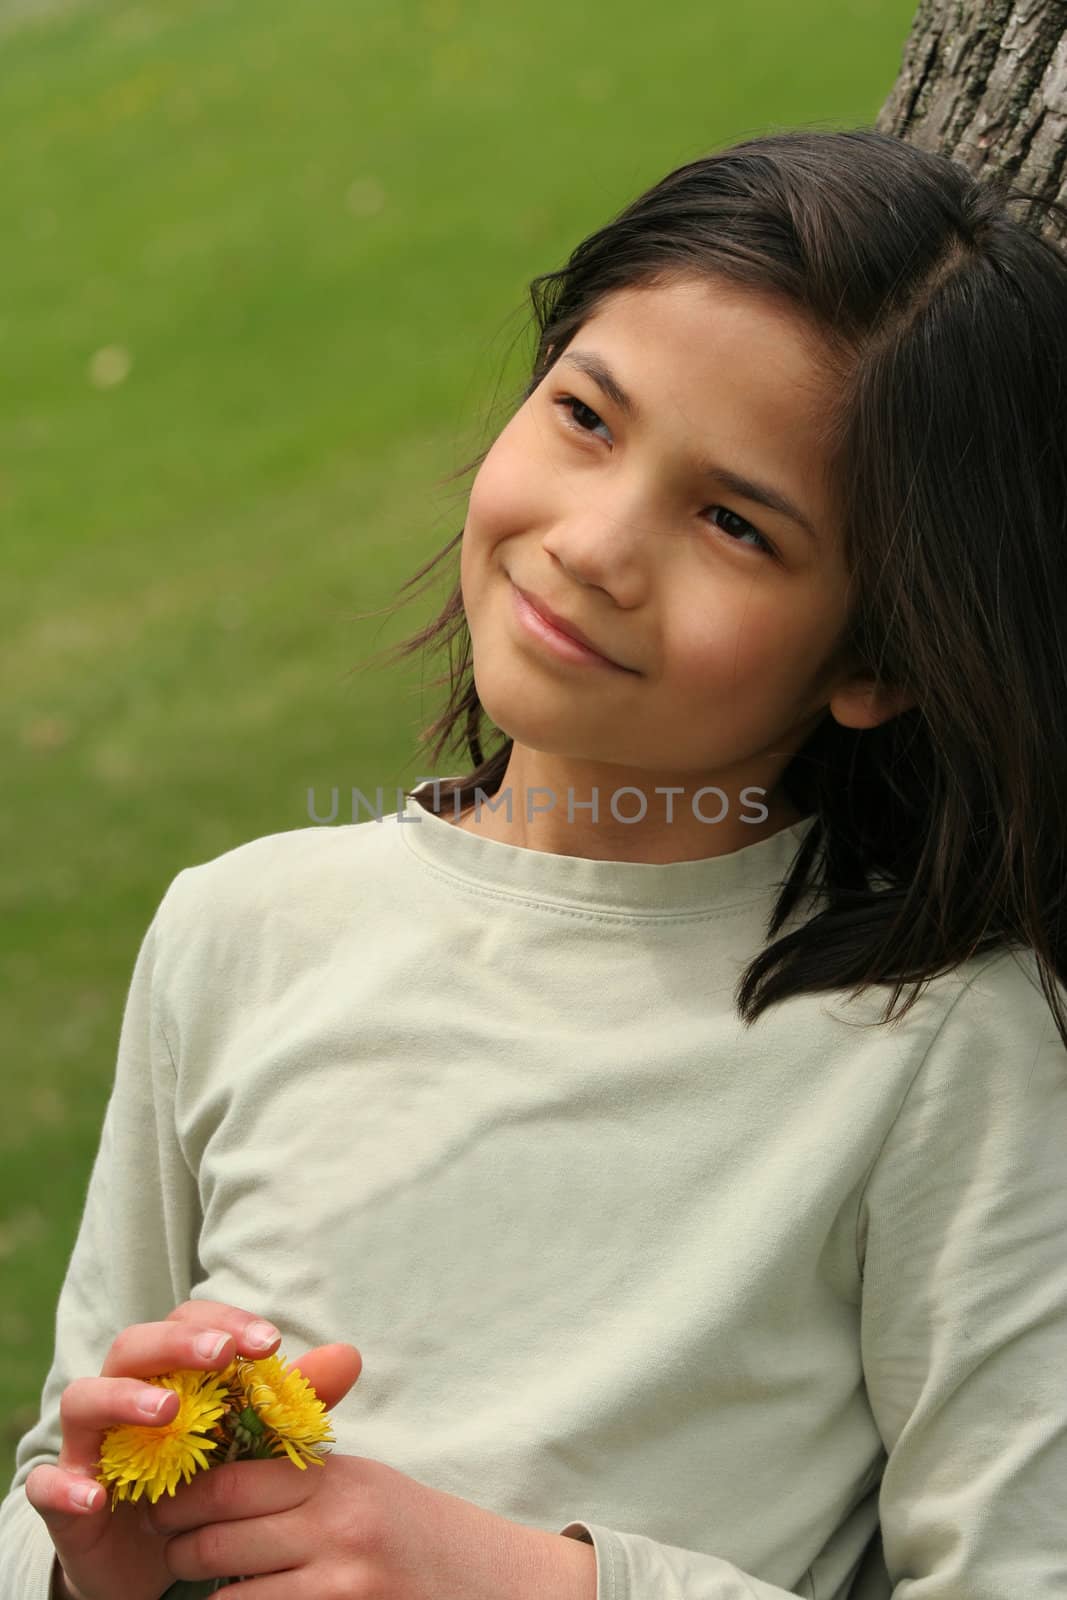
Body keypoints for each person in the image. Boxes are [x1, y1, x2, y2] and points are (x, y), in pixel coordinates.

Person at [3, 125, 1066, 1600]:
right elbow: (51, 1477)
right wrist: (91, 1559)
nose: (595, 543)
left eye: (734, 523)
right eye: (586, 417)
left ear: (878, 656)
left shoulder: (938, 1046)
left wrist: (538, 1584)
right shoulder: (238, 929)